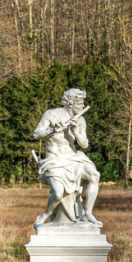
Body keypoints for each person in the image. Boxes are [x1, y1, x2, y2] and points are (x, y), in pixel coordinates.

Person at [32, 88, 101, 227]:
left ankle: (88, 213)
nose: (82, 106)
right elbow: (36, 134)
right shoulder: (51, 114)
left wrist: (76, 132)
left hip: (73, 158)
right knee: (57, 194)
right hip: (54, 160)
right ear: (70, 103)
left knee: (94, 175)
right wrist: (52, 130)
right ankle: (46, 213)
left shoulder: (80, 120)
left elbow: (85, 144)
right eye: (79, 103)